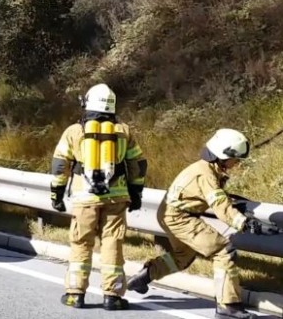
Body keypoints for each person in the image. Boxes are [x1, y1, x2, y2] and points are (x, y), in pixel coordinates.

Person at [126, 128, 263, 319]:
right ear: (223, 156)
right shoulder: (205, 174)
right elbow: (219, 205)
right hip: (180, 217)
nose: (237, 163)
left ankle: (144, 277)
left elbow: (215, 197)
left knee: (183, 256)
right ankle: (228, 307)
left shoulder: (204, 167)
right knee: (224, 252)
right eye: (236, 158)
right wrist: (246, 224)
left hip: (170, 213)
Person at [50, 83, 148, 310]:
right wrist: (136, 193)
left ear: (87, 103)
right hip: (116, 199)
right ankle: (112, 297)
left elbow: (59, 166)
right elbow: (138, 165)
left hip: (84, 199)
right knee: (113, 243)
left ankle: (75, 293)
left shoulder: (74, 132)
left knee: (81, 243)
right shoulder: (124, 131)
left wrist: (56, 194)